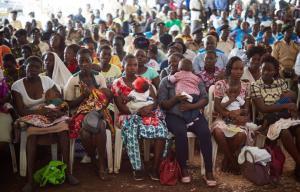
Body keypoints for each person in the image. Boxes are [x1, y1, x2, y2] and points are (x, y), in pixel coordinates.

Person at [11, 56, 79, 192]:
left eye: (37, 67)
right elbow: (21, 110)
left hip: (50, 114)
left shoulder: (47, 81)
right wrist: (40, 111)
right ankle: (30, 180)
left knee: (64, 130)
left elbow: (59, 99)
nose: (33, 70)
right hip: (31, 116)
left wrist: (55, 109)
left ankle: (68, 173)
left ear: (41, 69)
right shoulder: (17, 86)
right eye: (30, 67)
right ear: (25, 67)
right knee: (31, 135)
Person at [158, 53, 216, 186]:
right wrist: (176, 99)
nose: (173, 65)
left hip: (194, 113)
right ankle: (183, 168)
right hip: (174, 115)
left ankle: (208, 171)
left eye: (175, 63)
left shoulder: (196, 79)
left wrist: (192, 106)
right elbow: (163, 104)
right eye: (170, 63)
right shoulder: (166, 81)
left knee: (205, 133)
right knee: (180, 132)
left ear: (182, 66)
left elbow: (205, 99)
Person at [112, 54, 168, 181]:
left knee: (161, 130)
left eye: (135, 65)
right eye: (129, 65)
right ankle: (138, 168)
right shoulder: (117, 83)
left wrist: (150, 107)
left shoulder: (144, 81)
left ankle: (155, 167)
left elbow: (154, 99)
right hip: (127, 115)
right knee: (131, 130)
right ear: (123, 66)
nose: (132, 68)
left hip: (147, 114)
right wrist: (138, 112)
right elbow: (121, 107)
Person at [64, 48, 111, 180]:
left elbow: (106, 97)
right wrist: (82, 97)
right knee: (86, 131)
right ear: (77, 63)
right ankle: (96, 160)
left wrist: (100, 108)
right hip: (80, 113)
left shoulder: (98, 76)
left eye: (87, 61)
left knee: (100, 125)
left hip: (99, 111)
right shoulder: (73, 80)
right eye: (81, 61)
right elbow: (68, 104)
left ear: (92, 61)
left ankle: (100, 164)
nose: (84, 64)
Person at [251, 55, 300, 181]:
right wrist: (286, 104)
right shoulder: (255, 86)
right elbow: (263, 108)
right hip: (267, 119)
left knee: (299, 130)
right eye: (264, 69)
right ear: (260, 69)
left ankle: (298, 168)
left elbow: (293, 96)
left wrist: (286, 102)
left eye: (270, 70)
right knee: (284, 132)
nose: (267, 72)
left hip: (284, 116)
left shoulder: (280, 82)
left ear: (275, 71)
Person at [212, 56, 249, 175]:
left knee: (241, 135)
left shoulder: (245, 86)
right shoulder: (221, 84)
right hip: (223, 118)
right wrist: (229, 114)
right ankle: (233, 161)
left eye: (241, 69)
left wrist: (240, 114)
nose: (239, 72)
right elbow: (217, 106)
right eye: (235, 69)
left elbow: (246, 108)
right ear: (229, 69)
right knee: (218, 131)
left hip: (238, 119)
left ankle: (226, 160)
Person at [168, 58, 201, 125]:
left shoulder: (179, 74)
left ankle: (188, 121)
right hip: (195, 95)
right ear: (191, 68)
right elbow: (198, 81)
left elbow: (171, 80)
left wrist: (170, 75)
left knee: (184, 107)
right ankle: (194, 117)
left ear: (180, 68)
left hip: (185, 95)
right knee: (195, 107)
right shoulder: (195, 76)